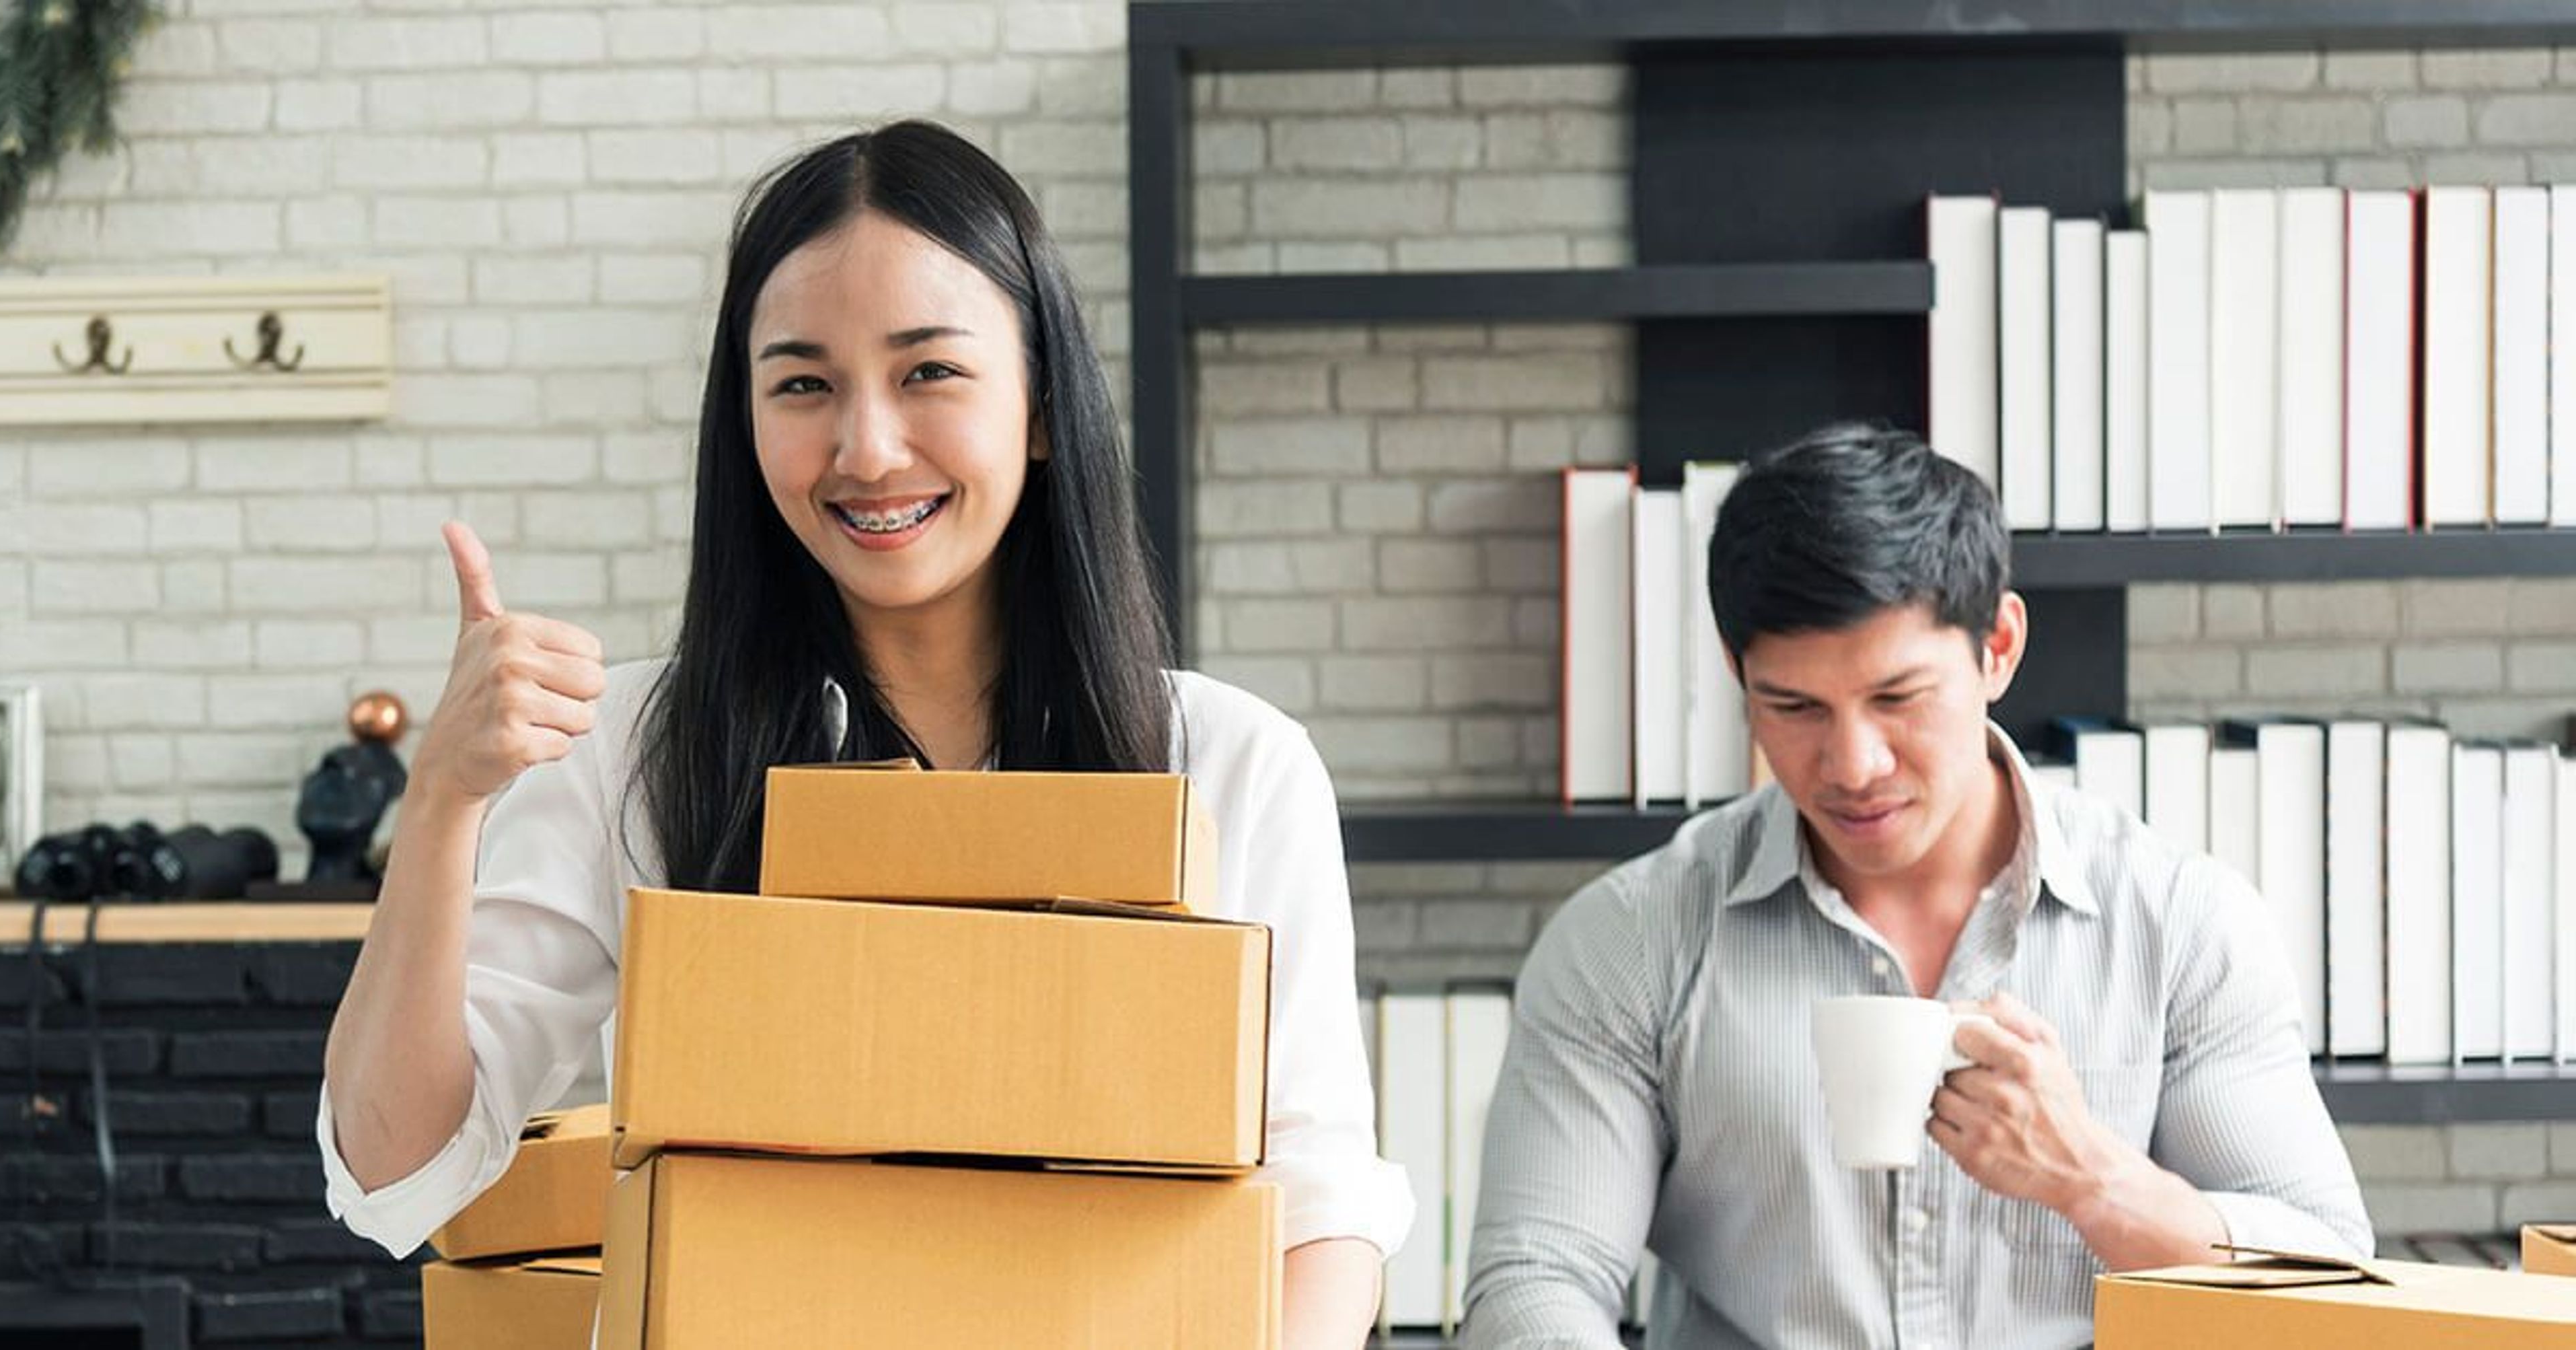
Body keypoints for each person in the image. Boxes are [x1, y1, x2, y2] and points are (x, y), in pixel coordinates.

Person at [318, 120, 1410, 1345]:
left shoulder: (1230, 763)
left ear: (1043, 406)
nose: (868, 449)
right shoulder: (634, 752)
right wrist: (444, 802)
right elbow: (395, 1175)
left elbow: (1319, 1214)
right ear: (744, 424)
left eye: (929, 372)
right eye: (803, 384)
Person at [1462, 425, 2369, 1349]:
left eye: (1898, 698)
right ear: (1738, 676)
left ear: (1998, 648)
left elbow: (2329, 1283)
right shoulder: (1633, 938)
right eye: (1794, 706)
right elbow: (1537, 1278)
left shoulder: (2180, 926)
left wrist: (2091, 1175)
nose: (1852, 764)